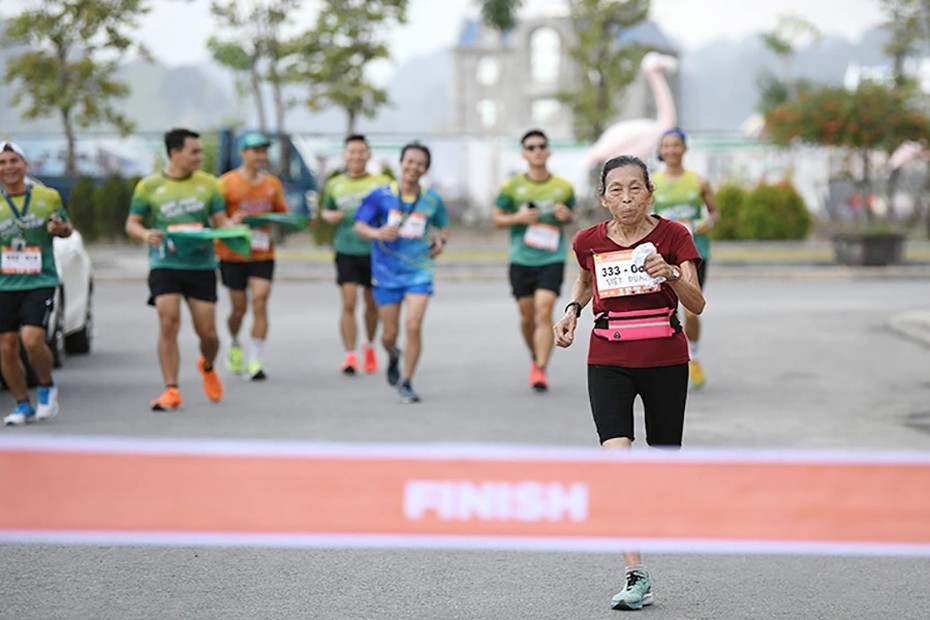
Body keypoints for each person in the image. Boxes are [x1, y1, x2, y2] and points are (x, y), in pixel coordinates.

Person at [553, 155, 705, 611]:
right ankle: (635, 573)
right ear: (603, 198)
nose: (626, 198)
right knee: (619, 466)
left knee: (661, 463)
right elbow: (584, 283)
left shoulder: (674, 236)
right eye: (616, 190)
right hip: (608, 357)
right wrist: (571, 312)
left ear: (650, 192)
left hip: (664, 357)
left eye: (635, 189)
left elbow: (696, 304)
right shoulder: (589, 241)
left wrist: (672, 274)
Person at [125, 128, 236, 411]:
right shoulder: (148, 186)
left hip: (201, 265)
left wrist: (237, 228)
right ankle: (171, 389)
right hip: (165, 263)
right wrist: (144, 234)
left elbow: (221, 221)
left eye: (200, 151)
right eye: (194, 151)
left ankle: (207, 365)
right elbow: (132, 222)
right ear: (175, 153)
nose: (200, 156)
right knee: (168, 322)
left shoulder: (209, 185)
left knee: (208, 334)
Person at [353, 142, 449, 403]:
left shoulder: (432, 198)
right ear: (401, 163)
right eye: (409, 161)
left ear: (425, 169)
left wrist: (440, 242)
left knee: (414, 325)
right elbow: (359, 226)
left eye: (419, 163)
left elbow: (443, 226)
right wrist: (376, 232)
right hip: (386, 273)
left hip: (419, 271)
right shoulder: (380, 195)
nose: (413, 167)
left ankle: (407, 381)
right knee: (389, 335)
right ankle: (393, 354)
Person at [493, 128, 575, 392]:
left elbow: (572, 215)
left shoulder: (563, 187)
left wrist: (566, 216)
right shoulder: (511, 187)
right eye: (531, 147)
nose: (537, 151)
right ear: (523, 154)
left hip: (552, 257)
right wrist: (517, 218)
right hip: (521, 258)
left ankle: (540, 368)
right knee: (527, 316)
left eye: (541, 146)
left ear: (548, 151)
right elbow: (497, 218)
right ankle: (535, 356)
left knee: (544, 310)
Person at [0, 141, 73, 426]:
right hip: (4, 284)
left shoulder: (47, 196)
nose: (9, 167)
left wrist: (60, 228)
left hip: (39, 280)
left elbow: (67, 229)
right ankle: (22, 404)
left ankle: (45, 384)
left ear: (25, 165)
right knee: (5, 348)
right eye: (3, 163)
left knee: (31, 340)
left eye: (14, 161)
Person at [216, 132, 288, 381]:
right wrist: (231, 222)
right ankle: (234, 341)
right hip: (233, 253)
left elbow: (282, 214)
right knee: (239, 309)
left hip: (262, 253)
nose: (261, 156)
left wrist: (278, 220)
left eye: (263, 151)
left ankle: (256, 358)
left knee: (260, 300)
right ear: (242, 154)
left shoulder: (272, 184)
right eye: (255, 151)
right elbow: (214, 219)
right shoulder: (225, 184)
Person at [652, 128, 718, 389]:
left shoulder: (698, 181)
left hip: (694, 253)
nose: (671, 150)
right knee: (661, 311)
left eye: (676, 145)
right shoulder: (653, 182)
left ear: (684, 149)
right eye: (666, 146)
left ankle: (695, 357)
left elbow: (714, 212)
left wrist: (707, 222)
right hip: (662, 257)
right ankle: (663, 364)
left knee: (691, 312)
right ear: (661, 150)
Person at [320, 134, 391, 375]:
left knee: (372, 304)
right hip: (346, 249)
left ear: (369, 155)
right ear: (345, 155)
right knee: (348, 302)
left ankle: (369, 346)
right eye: (352, 151)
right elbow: (325, 209)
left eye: (361, 151)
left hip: (374, 251)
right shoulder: (335, 184)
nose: (356, 156)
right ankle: (350, 355)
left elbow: (394, 210)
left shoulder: (382, 182)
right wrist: (328, 216)